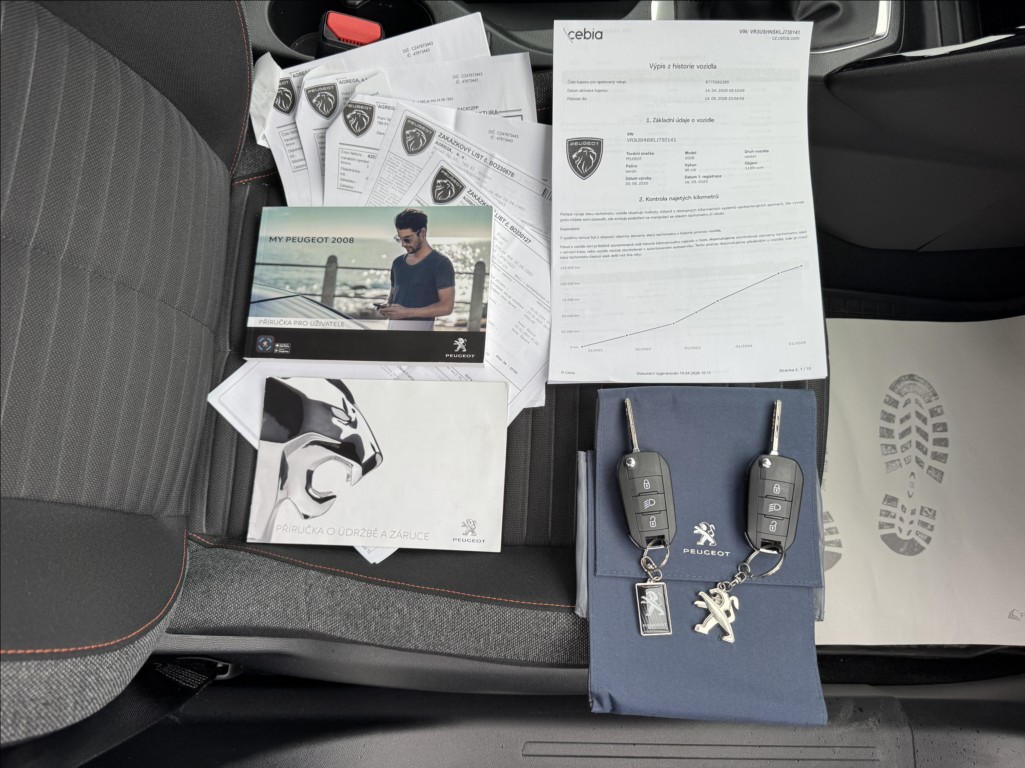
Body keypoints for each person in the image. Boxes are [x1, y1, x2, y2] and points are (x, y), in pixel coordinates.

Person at [378, 208, 455, 331]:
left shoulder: (441, 263)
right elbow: (393, 295)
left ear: (423, 232)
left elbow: (446, 307)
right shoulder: (397, 263)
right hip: (392, 335)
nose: (403, 244)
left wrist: (407, 313)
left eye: (407, 239)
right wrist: (387, 306)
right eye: (399, 239)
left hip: (420, 338)